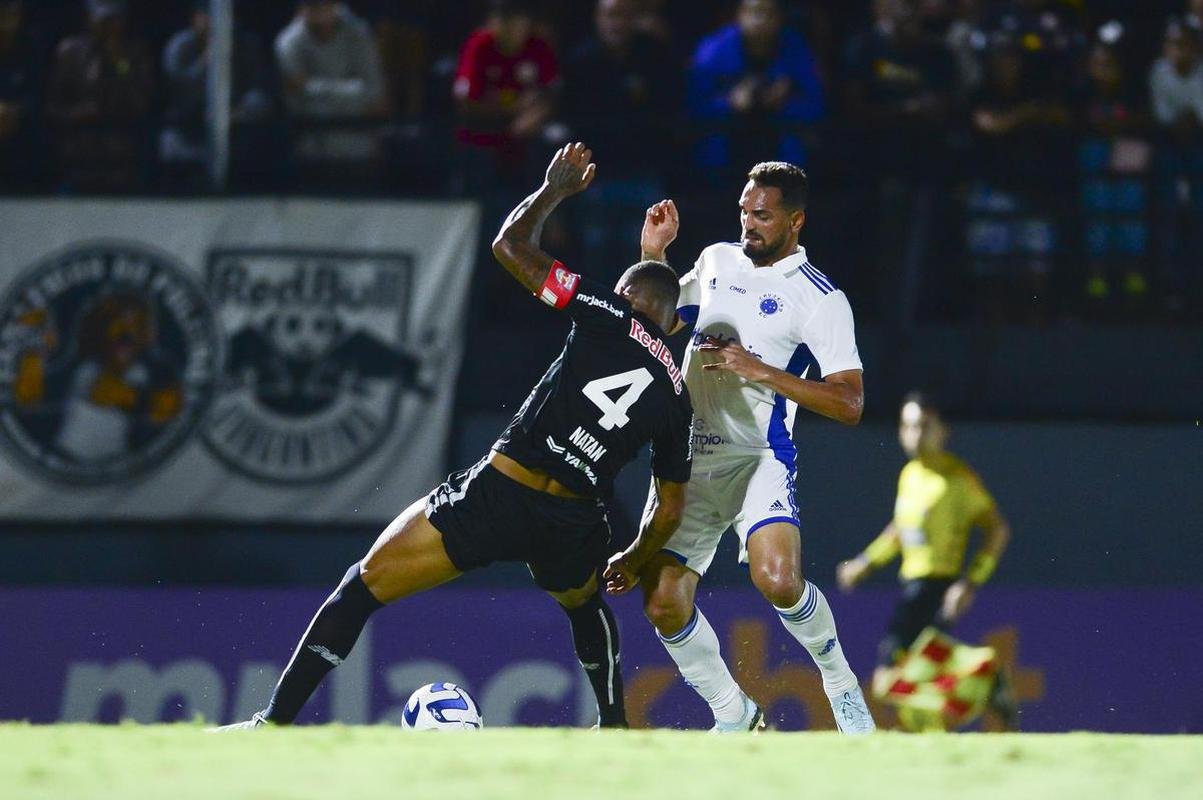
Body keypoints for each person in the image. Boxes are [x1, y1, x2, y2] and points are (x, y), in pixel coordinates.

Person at [214, 143, 693, 731]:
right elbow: (670, 506)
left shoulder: (603, 311)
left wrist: (553, 191)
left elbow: (509, 248)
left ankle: (274, 725)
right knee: (583, 606)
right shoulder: (677, 395)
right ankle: (615, 727)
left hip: (500, 492)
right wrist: (635, 556)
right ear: (675, 324)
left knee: (361, 588)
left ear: (624, 298)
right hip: (570, 518)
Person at [630, 163, 875, 733]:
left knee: (779, 580)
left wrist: (758, 369)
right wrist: (654, 254)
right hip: (688, 457)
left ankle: (839, 681)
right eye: (744, 211)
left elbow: (850, 403)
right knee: (664, 601)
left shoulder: (819, 298)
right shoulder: (717, 260)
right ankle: (733, 713)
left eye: (762, 215)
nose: (749, 224)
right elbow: (660, 321)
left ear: (796, 220)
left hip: (758, 455)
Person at [835, 392, 1014, 730]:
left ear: (942, 431)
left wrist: (970, 582)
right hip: (912, 585)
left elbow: (998, 529)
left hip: (937, 586)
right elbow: (900, 530)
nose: (914, 434)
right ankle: (932, 731)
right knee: (908, 677)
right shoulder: (909, 474)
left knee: (889, 675)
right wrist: (865, 563)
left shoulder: (958, 479)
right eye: (907, 426)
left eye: (923, 426)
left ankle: (986, 678)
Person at [688, 0, 826, 176]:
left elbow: (817, 104)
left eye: (769, 13)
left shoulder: (796, 48)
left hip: (780, 136)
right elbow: (693, 107)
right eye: (754, 12)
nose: (760, 20)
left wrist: (784, 103)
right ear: (738, 14)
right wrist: (729, 103)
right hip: (727, 137)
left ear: (780, 18)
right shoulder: (713, 49)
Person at [44, 0, 153, 191]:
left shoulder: (135, 53)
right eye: (102, 19)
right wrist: (77, 113)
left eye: (114, 19)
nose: (108, 26)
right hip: (77, 148)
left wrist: (118, 62)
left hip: (120, 151)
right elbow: (52, 106)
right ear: (89, 18)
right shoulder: (70, 52)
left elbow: (141, 102)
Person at [452, 0, 559, 191]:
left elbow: (551, 94)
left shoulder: (538, 46)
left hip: (527, 132)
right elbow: (466, 102)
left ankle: (548, 216)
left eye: (516, 20)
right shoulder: (479, 45)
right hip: (486, 129)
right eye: (502, 20)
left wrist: (534, 116)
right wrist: (512, 108)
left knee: (549, 146)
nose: (509, 28)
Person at [160, 1, 272, 175]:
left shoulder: (247, 45)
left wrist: (237, 112)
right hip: (189, 126)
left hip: (236, 126)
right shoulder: (180, 46)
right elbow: (178, 91)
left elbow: (258, 90)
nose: (213, 22)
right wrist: (207, 60)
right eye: (207, 16)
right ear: (195, 18)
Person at [275, 0, 387, 165]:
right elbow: (295, 102)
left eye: (324, 4)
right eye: (312, 4)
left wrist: (310, 87)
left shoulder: (359, 34)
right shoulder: (288, 42)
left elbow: (374, 95)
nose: (319, 9)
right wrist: (351, 92)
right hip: (310, 144)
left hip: (358, 143)